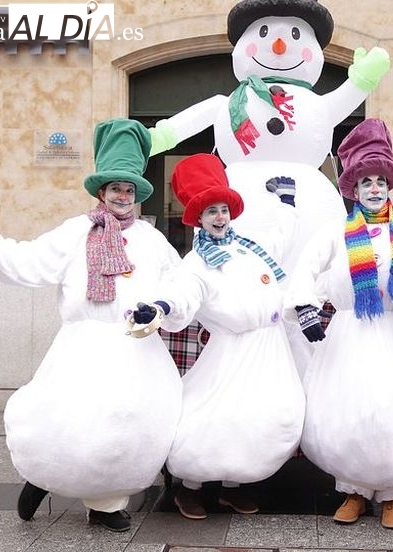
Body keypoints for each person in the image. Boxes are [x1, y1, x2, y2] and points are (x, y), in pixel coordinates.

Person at [0, 118, 183, 532]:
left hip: (136, 349)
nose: (123, 196)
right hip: (83, 345)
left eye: (129, 189)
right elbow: (32, 260)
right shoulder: (77, 231)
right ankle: (42, 478)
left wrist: (163, 308)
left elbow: (178, 284)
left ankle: (106, 504)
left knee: (122, 427)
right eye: (115, 189)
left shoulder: (151, 239)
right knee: (66, 420)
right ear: (102, 193)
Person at [283, 119, 393, 529]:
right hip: (350, 335)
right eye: (366, 182)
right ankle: (355, 490)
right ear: (354, 190)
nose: (375, 189)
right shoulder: (336, 233)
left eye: (380, 181)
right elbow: (304, 270)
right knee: (350, 411)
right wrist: (305, 308)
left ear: (389, 187)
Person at [131, 153, 305, 520]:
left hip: (270, 348)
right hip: (232, 350)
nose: (220, 217)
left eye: (223, 209)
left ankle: (232, 488)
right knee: (216, 416)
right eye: (211, 212)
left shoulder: (249, 247)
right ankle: (189, 487)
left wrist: (287, 203)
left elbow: (281, 239)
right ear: (199, 220)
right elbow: (184, 292)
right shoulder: (197, 262)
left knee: (261, 415)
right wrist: (161, 306)